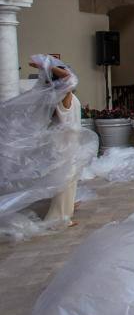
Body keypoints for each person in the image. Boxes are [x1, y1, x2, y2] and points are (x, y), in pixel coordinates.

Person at [27, 60, 82, 227]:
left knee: (69, 178)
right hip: (64, 145)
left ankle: (67, 206)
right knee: (66, 179)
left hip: (66, 142)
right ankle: (58, 218)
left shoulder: (59, 97)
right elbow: (69, 76)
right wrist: (46, 66)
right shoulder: (64, 96)